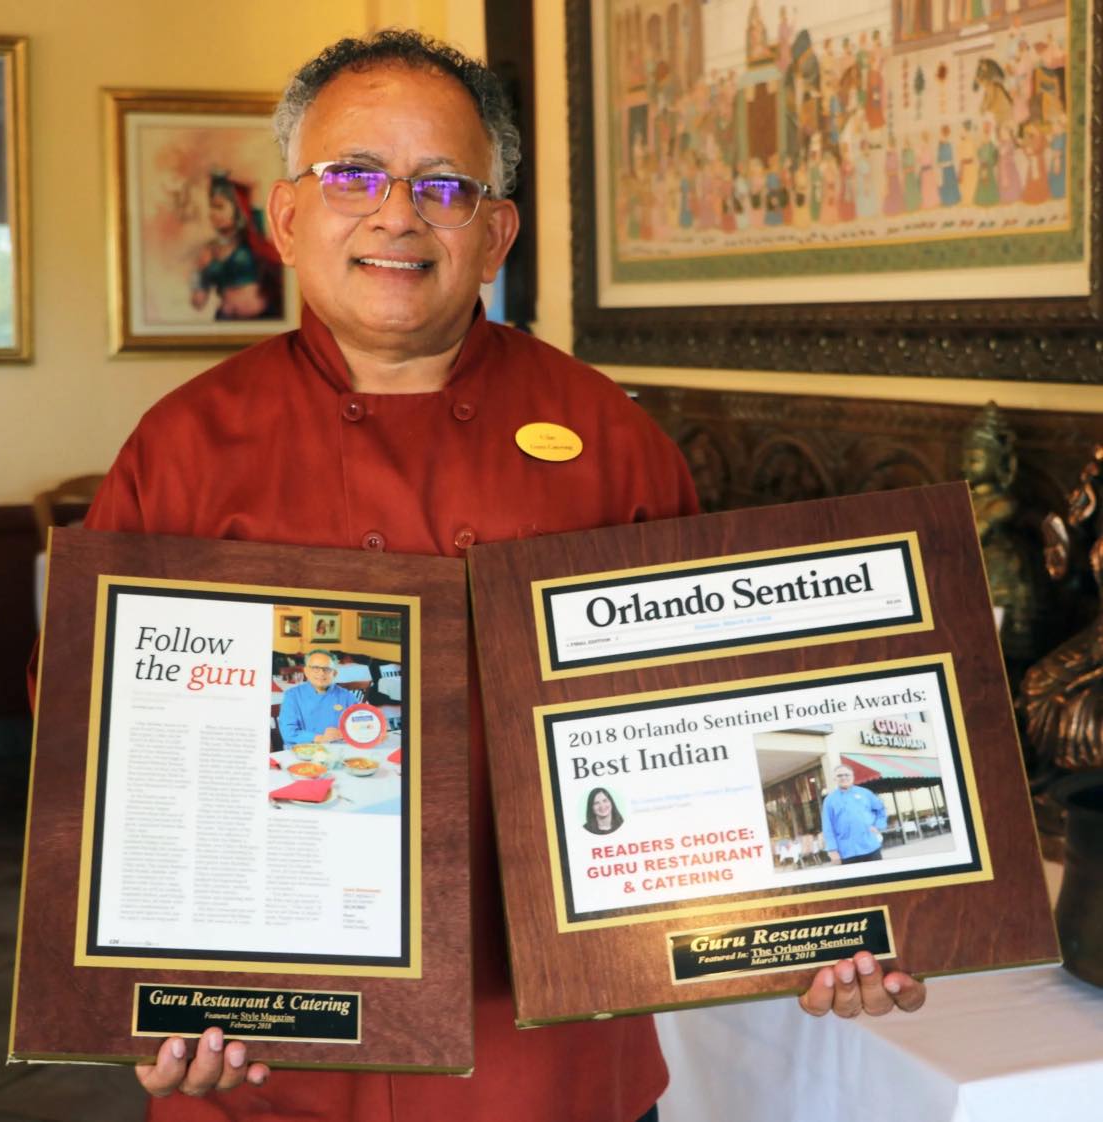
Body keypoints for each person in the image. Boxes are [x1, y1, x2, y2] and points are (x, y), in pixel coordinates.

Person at [76, 30, 923, 1121]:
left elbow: (724, 727)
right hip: (262, 1063)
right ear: (286, 218)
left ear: (494, 234)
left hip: (550, 1068)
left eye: (443, 185)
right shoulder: (182, 447)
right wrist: (126, 998)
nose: (396, 214)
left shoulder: (610, 439)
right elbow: (100, 758)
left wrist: (824, 922)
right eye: (352, 176)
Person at [190, 172, 284, 319]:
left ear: (238, 208)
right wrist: (199, 272)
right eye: (211, 207)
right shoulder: (208, 250)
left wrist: (222, 175)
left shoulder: (253, 236)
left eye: (219, 207)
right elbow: (198, 302)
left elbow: (254, 184)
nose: (212, 213)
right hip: (225, 323)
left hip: (261, 321)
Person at [277, 650, 357, 747]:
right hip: (302, 751)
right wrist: (320, 738)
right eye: (315, 668)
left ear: (334, 673)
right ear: (306, 671)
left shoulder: (348, 696)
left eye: (327, 669)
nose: (321, 673)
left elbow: (359, 726)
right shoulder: (292, 696)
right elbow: (288, 733)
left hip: (337, 750)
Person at [822, 764, 887, 864]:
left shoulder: (865, 793)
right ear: (835, 779)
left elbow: (881, 809)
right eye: (839, 775)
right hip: (846, 852)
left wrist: (878, 825)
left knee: (879, 878)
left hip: (870, 846)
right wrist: (832, 850)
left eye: (847, 775)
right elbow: (828, 827)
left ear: (852, 777)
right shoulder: (829, 800)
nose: (843, 777)